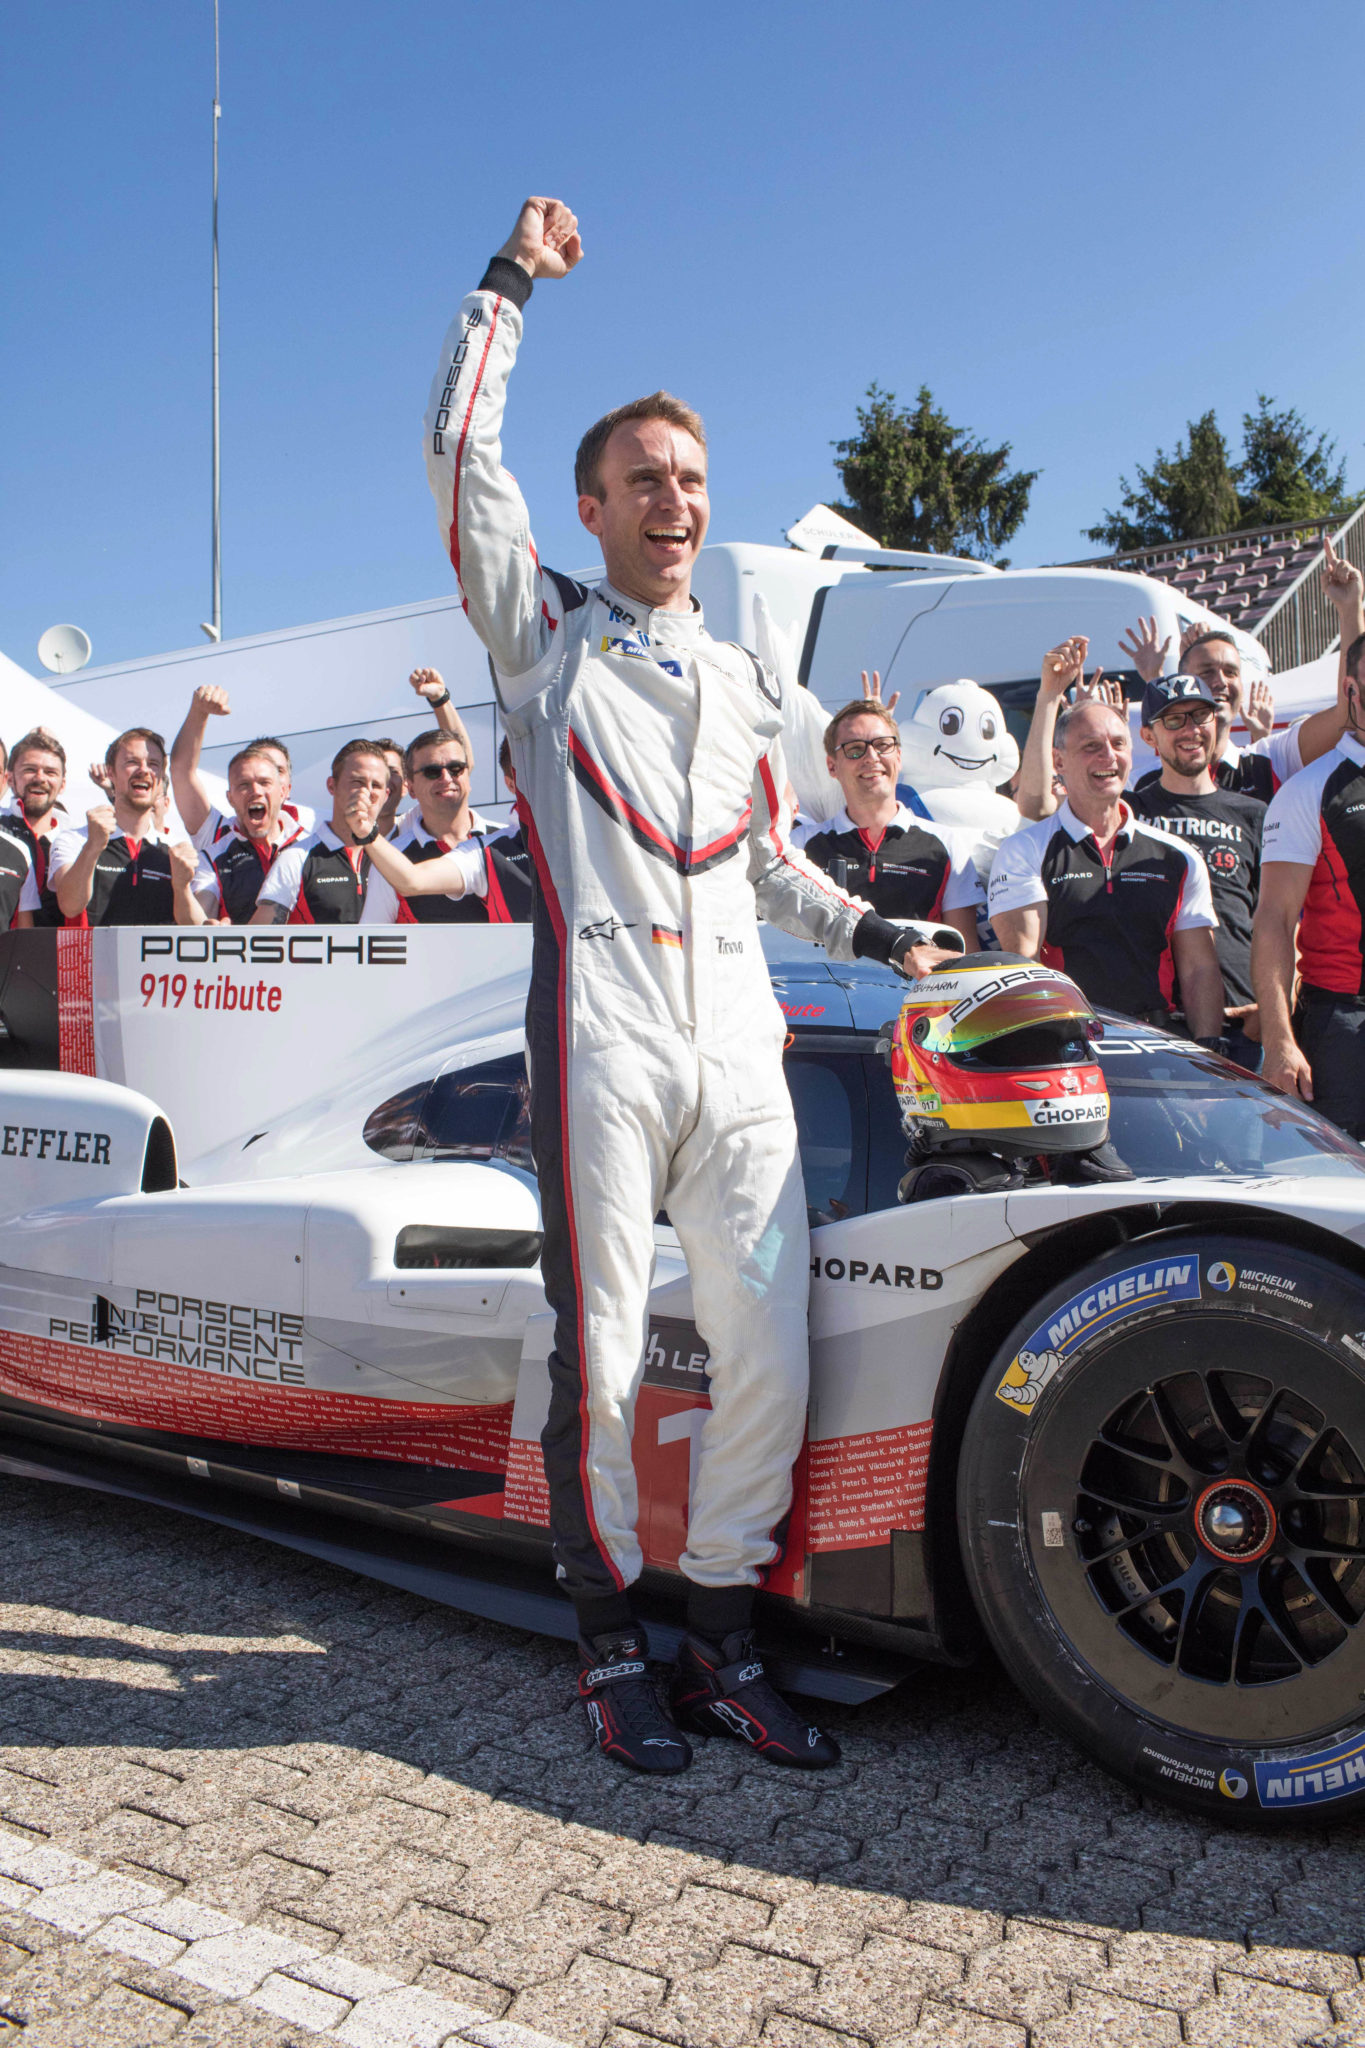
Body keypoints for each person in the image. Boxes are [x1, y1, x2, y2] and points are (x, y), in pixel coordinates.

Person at [424, 195, 956, 1775]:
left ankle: (722, 1636)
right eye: (644, 479)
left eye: (692, 480)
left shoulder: (741, 679)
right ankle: (609, 1645)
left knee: (767, 1347)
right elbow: (459, 460)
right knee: (595, 1346)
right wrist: (509, 284)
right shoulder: (542, 642)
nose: (675, 500)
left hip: (737, 1040)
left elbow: (766, 862)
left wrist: (877, 937)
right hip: (601, 1028)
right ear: (591, 508)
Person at [989, 698, 1225, 1040]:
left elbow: (1199, 969)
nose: (1109, 756)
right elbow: (1024, 964)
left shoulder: (1179, 856)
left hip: (1158, 1040)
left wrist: (1208, 1047)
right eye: (1091, 746)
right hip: (1069, 1039)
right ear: (1059, 760)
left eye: (1118, 744)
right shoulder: (1025, 849)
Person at [1253, 631, 1365, 1133]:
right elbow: (1274, 920)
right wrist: (1278, 1041)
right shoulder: (1310, 789)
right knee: (1343, 1175)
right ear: (1350, 690)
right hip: (1342, 1021)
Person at [1128, 674, 1265, 1070]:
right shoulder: (1129, 813)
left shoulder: (1254, 814)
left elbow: (1281, 918)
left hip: (1243, 1024)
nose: (1191, 730)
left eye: (1201, 715)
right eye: (1174, 720)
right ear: (1149, 736)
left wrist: (1272, 1009)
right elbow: (1040, 804)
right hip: (1154, 1025)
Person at [795, 698, 982, 944]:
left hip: (917, 971)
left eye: (883, 745)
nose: (872, 757)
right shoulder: (799, 845)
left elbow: (964, 949)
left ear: (899, 757)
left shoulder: (946, 844)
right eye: (855, 748)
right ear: (832, 766)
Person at [373, 728, 532, 922]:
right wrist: (366, 834)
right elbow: (374, 934)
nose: (446, 778)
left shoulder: (507, 841)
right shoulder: (390, 858)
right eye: (432, 771)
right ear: (411, 787)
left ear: (468, 777)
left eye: (456, 768)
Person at [251, 740, 406, 925]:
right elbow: (259, 935)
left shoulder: (398, 857)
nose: (367, 792)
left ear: (386, 795)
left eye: (377, 785)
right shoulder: (296, 857)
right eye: (357, 782)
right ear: (332, 786)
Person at [50, 728, 177, 926]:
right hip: (92, 948)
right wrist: (92, 847)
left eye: (153, 764)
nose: (144, 770)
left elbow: (195, 924)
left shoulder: (175, 849)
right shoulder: (75, 840)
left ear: (160, 776)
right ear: (110, 772)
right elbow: (70, 906)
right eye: (132, 762)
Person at [174, 742, 308, 925]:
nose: (256, 791)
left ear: (283, 791)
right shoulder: (213, 857)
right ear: (230, 798)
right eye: (244, 785)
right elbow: (198, 920)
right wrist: (180, 887)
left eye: (264, 783)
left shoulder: (310, 847)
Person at [7, 728, 69, 926]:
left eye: (50, 772)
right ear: (10, 778)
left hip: (59, 945)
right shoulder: (2, 832)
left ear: (62, 784)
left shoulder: (75, 842)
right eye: (30, 770)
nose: (40, 778)